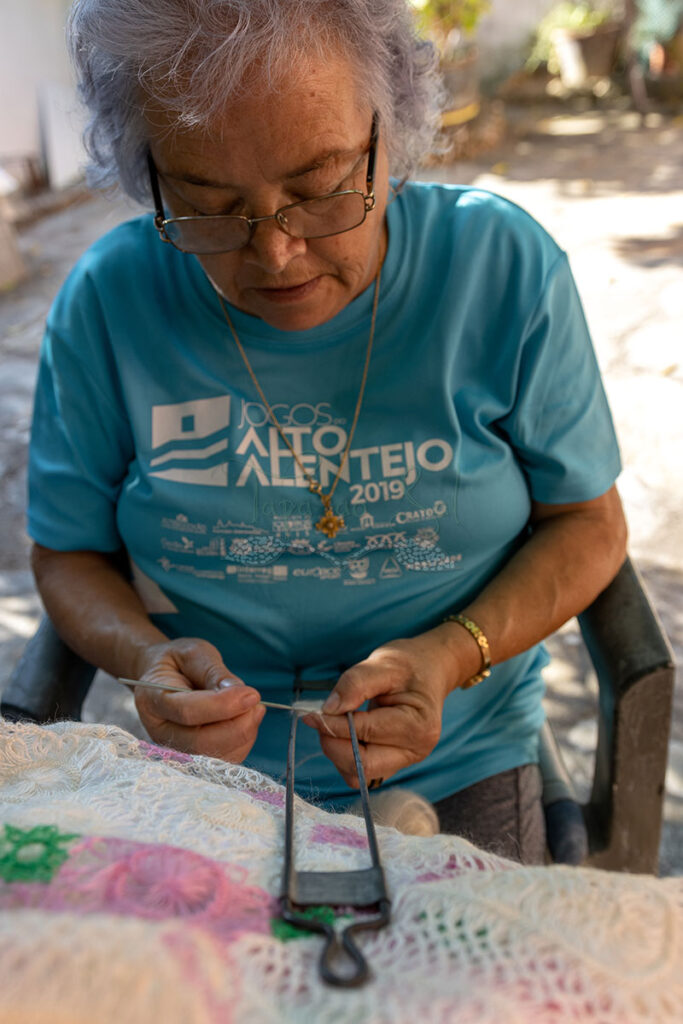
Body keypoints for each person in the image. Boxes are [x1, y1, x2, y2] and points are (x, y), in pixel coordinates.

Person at [27, 0, 627, 864]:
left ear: (394, 129)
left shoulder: (499, 270)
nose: (275, 253)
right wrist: (146, 657)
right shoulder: (111, 300)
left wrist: (450, 655)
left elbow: (589, 524)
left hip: (456, 751)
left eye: (317, 191)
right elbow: (67, 554)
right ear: (148, 172)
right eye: (208, 205)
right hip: (209, 771)